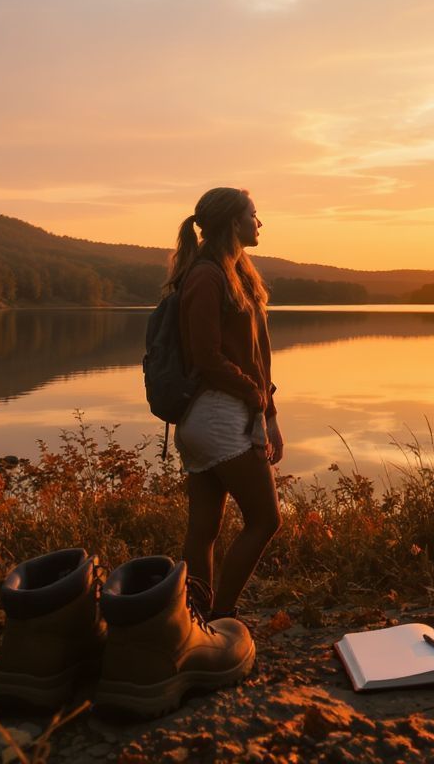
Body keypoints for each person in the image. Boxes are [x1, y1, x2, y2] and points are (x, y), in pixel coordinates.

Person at [164, 187, 283, 621]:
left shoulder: (237, 274)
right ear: (234, 222)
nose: (259, 222)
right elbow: (206, 357)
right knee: (265, 520)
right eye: (253, 214)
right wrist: (254, 396)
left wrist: (269, 413)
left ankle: (197, 620)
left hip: (221, 413)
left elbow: (255, 357)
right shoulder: (207, 276)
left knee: (204, 529)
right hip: (217, 414)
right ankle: (220, 617)